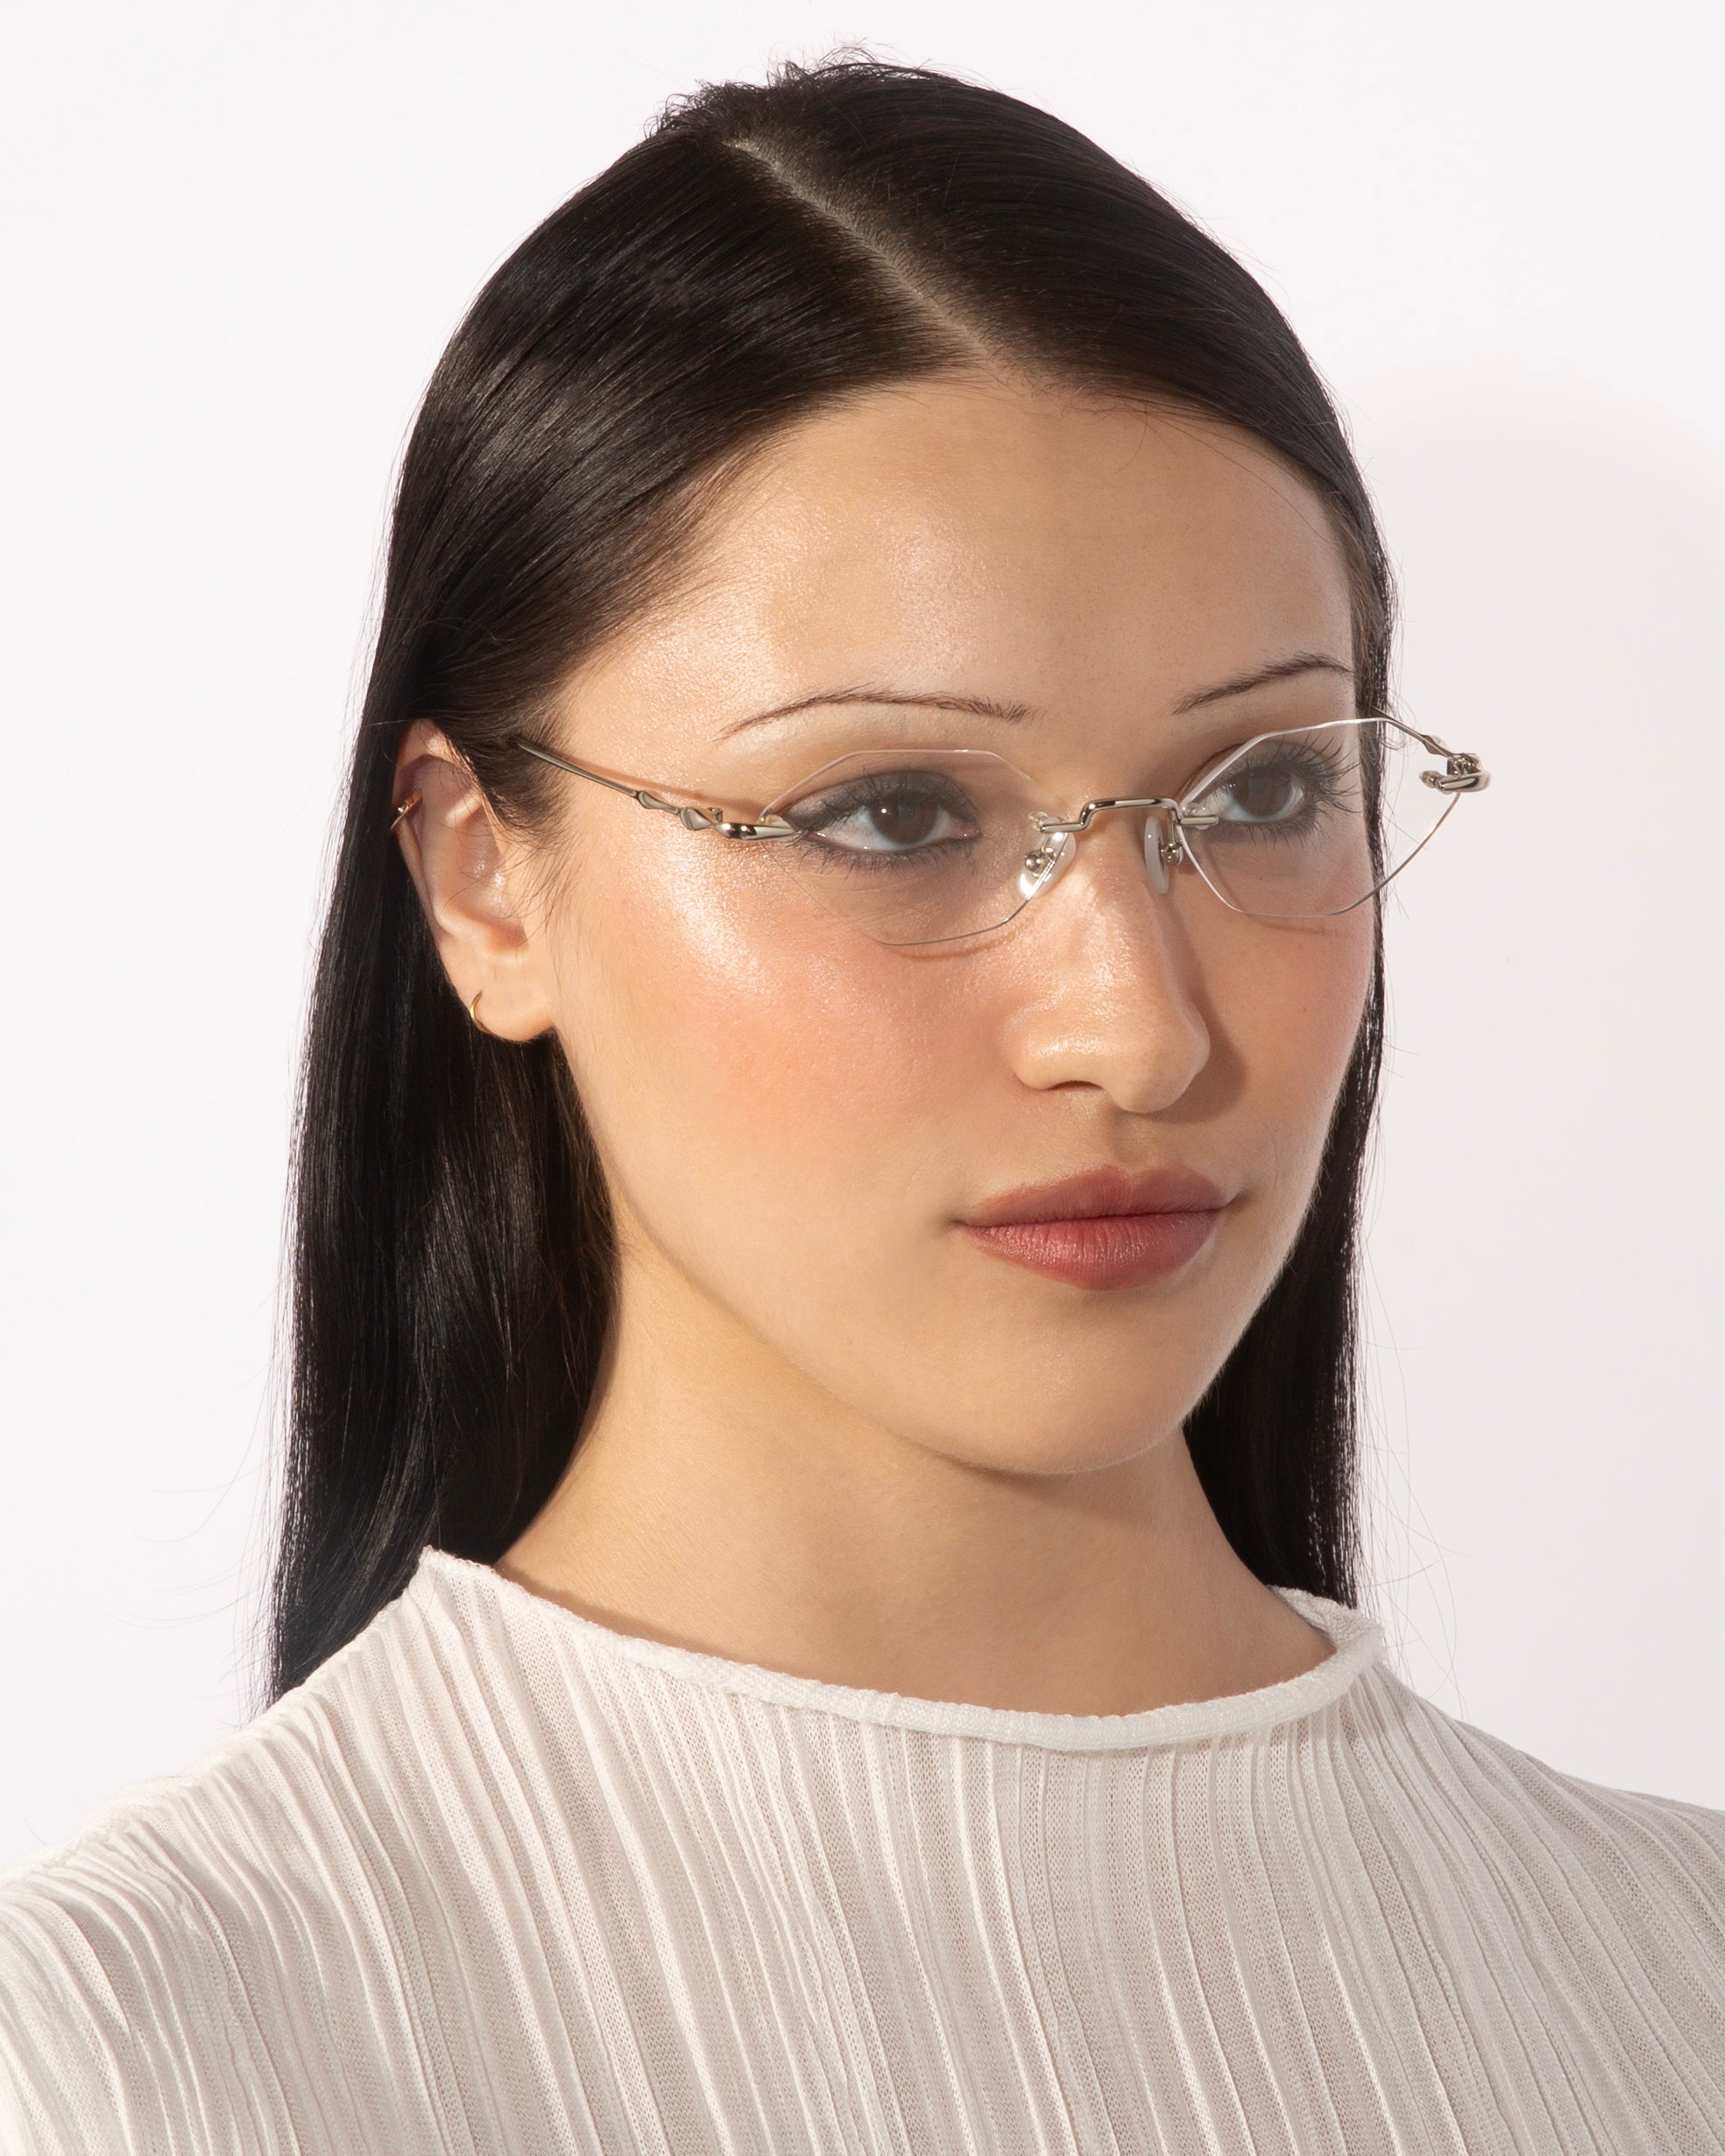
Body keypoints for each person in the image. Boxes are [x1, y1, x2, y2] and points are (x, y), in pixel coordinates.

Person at [2, 56, 1721, 2156]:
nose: (1136, 1028)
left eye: (1262, 791)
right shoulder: (131, 2057)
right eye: (889, 808)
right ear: (480, 875)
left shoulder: (1680, 1968)